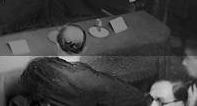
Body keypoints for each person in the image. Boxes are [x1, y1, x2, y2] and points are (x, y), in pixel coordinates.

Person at [19, 24, 148, 106]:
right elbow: (135, 97)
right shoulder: (99, 80)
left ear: (57, 44)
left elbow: (26, 84)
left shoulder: (38, 66)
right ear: (85, 48)